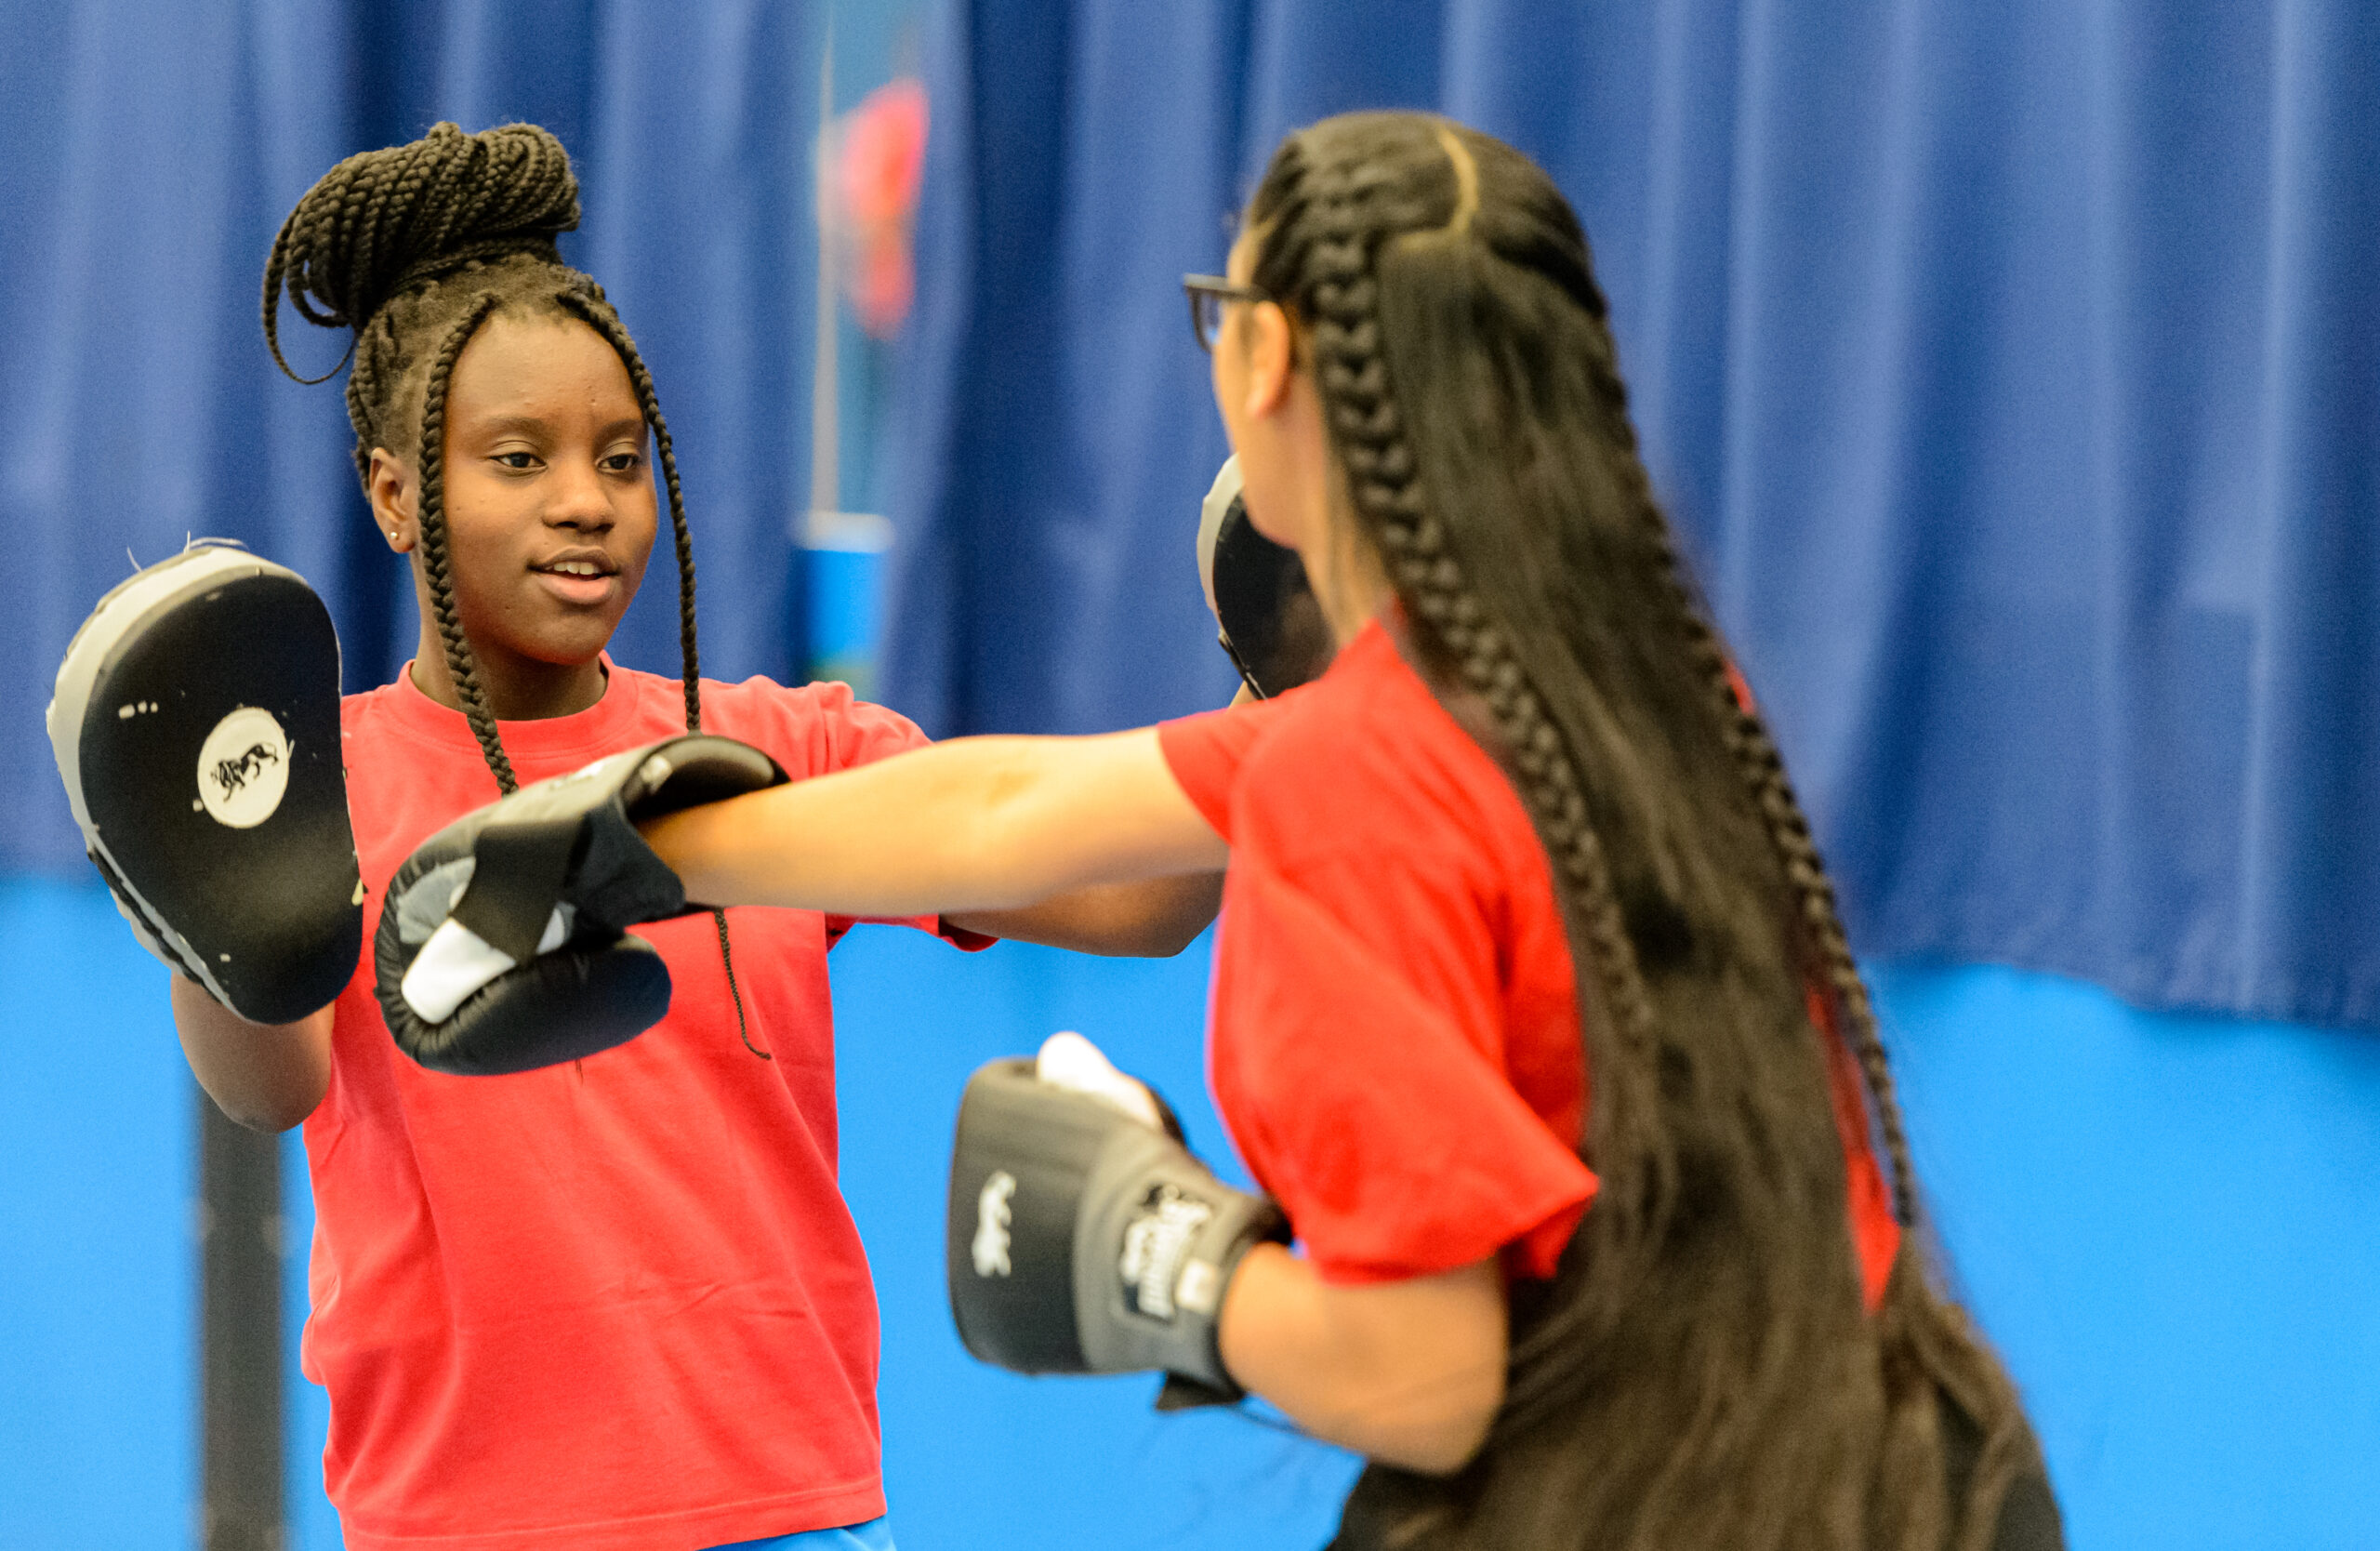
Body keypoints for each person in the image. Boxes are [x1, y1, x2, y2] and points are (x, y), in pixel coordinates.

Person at [460, 113, 2062, 1548]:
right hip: (1911, 1466)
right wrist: (636, 857)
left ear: (1271, 363)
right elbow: (1008, 810)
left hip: (1626, 1498)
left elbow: (1428, 1378)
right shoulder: (1638, 683)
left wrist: (1173, 1258)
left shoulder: (1351, 782)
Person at [166, 122, 1221, 1551]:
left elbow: (1140, 899)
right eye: (519, 458)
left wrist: (1289, 691)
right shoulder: (317, 781)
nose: (585, 503)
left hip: (794, 1509)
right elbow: (270, 1088)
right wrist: (194, 883)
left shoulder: (780, 755)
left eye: (618, 456)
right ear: (395, 494)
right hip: (463, 1522)